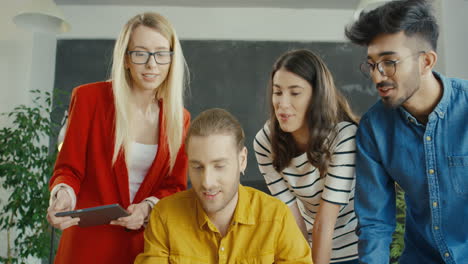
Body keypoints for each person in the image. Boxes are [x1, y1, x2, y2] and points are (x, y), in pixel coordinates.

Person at [46, 12, 190, 263]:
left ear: (171, 59)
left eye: (161, 53)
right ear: (125, 58)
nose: (152, 65)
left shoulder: (180, 118)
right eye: (140, 53)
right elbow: (69, 168)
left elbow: (175, 186)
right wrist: (63, 193)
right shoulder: (89, 99)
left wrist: (147, 208)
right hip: (87, 245)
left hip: (144, 248)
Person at [345, 0, 468, 263]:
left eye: (389, 62)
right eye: (371, 64)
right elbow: (375, 224)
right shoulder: (374, 128)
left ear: (426, 61)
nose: (378, 76)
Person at [135, 108, 312, 264]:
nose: (207, 182)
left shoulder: (276, 218)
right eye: (197, 167)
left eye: (219, 166)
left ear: (242, 161)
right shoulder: (164, 216)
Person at [253, 49, 360, 264]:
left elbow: (325, 221)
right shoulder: (265, 141)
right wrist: (301, 259)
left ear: (316, 96)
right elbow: (292, 216)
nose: (282, 104)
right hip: (307, 244)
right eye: (277, 92)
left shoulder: (344, 136)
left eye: (295, 93)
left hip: (354, 250)